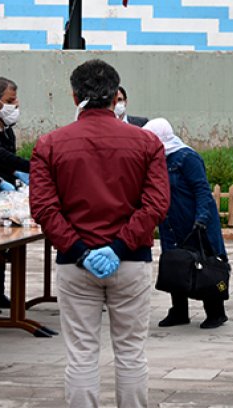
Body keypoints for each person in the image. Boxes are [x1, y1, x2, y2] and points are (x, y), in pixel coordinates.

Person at [29, 59, 170, 407]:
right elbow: (155, 205)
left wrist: (79, 250)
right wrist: (120, 245)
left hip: (75, 263)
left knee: (81, 354)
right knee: (132, 353)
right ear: (115, 96)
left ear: (75, 95)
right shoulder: (147, 143)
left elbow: (45, 209)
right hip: (130, 260)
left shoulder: (49, 144)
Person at [143, 118, 229, 330]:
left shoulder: (187, 158)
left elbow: (201, 190)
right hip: (172, 223)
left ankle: (216, 311)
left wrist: (201, 219)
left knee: (208, 266)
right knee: (176, 266)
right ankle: (179, 311)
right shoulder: (157, 160)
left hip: (196, 223)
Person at [0, 76, 30, 312]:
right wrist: (33, 166)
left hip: (2, 194)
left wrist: (17, 177)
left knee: (5, 245)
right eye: (9, 100)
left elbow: (8, 160)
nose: (14, 106)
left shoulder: (6, 128)